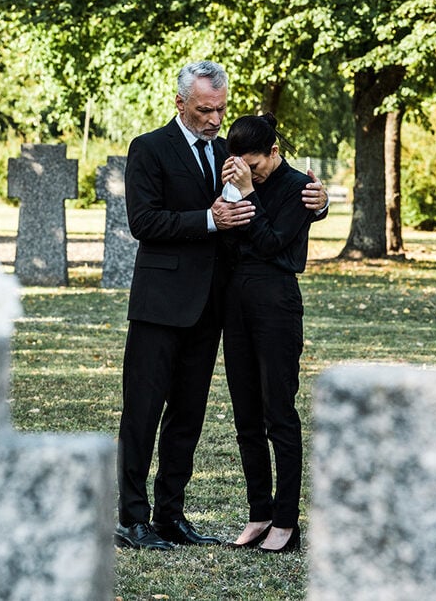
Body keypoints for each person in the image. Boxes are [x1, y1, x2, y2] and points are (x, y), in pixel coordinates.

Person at [114, 61, 328, 551]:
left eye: (221, 110)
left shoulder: (227, 154)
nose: (215, 120)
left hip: (212, 308)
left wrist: (319, 203)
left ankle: (171, 515)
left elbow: (273, 195)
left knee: (187, 417)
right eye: (206, 110)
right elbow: (144, 222)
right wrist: (209, 220)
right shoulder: (149, 149)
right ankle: (132, 518)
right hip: (159, 304)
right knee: (142, 414)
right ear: (180, 103)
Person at [219, 113, 315, 553]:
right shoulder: (235, 180)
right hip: (236, 306)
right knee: (246, 418)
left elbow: (274, 243)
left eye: (255, 165)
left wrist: (249, 192)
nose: (249, 172)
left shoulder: (300, 188)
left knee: (280, 413)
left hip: (276, 307)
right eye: (243, 166)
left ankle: (286, 520)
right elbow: (229, 239)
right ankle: (259, 512)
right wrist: (233, 192)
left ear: (274, 153)